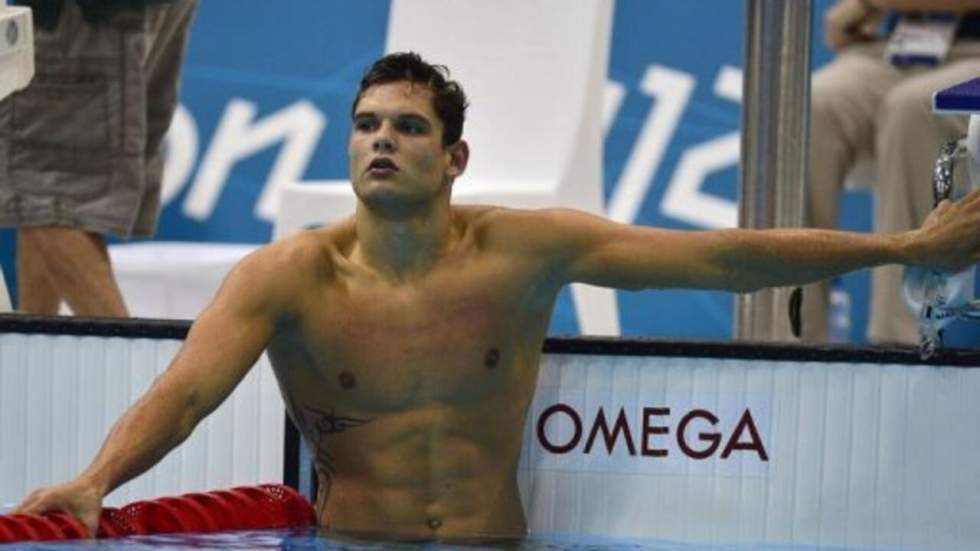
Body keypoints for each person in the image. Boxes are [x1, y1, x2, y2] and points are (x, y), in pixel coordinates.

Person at [14, 52, 980, 542]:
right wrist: (97, 482)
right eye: (363, 125)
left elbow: (716, 258)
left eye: (405, 126)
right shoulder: (287, 276)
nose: (379, 140)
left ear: (455, 158)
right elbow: (184, 393)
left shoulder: (524, 251)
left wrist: (903, 242)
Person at [0, 0, 198, 317]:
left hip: (82, 14)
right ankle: (33, 348)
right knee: (43, 190)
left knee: (48, 199)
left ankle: (130, 362)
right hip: (146, 11)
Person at [803, 0, 980, 343]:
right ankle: (789, 338)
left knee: (914, 110)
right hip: (903, 46)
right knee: (812, 104)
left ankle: (901, 344)